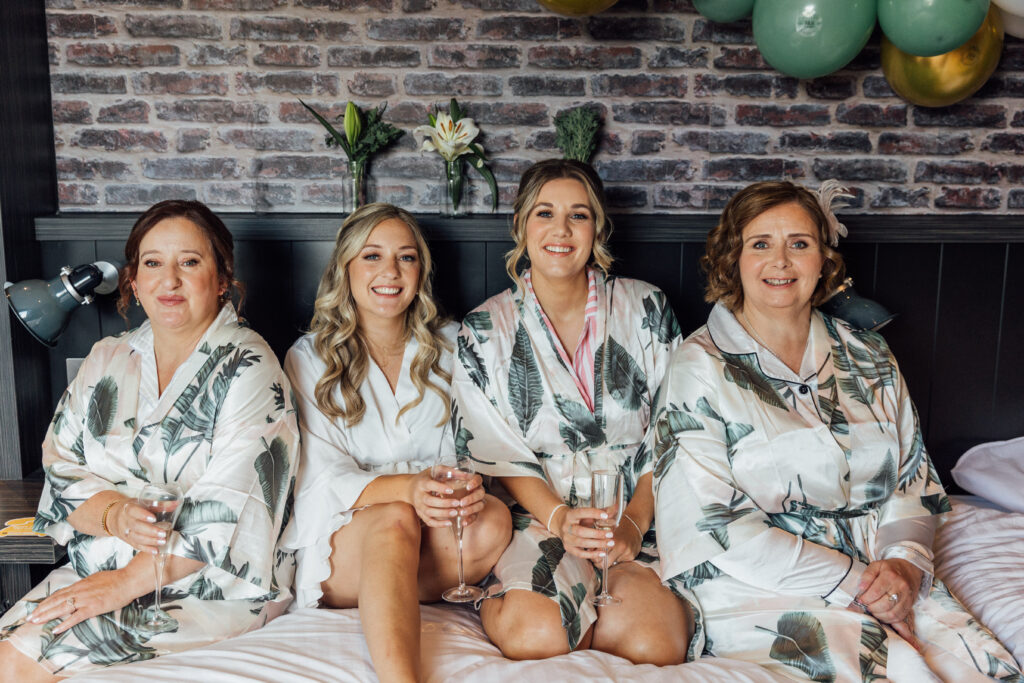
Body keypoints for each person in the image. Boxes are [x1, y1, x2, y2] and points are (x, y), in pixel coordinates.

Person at [651, 181, 1022, 681]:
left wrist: (906, 567)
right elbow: (713, 527)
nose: (780, 262)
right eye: (761, 244)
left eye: (799, 244)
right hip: (760, 580)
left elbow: (911, 481)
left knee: (978, 667)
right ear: (731, 258)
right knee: (890, 668)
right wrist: (856, 584)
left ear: (823, 260)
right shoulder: (698, 366)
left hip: (886, 569)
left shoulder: (870, 356)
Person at [0, 200, 300, 680]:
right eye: (153, 263)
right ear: (133, 281)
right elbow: (61, 466)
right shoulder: (106, 357)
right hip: (100, 567)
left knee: (23, 659)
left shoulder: (249, 367)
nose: (170, 280)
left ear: (222, 279)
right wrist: (115, 515)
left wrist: (120, 585)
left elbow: (229, 509)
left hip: (210, 583)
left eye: (190, 262)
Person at [450, 159, 698, 664]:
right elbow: (495, 450)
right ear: (521, 224)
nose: (560, 231)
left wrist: (633, 523)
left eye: (578, 216)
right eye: (544, 213)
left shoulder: (646, 308)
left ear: (598, 228)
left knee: (656, 644)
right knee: (537, 637)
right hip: (542, 516)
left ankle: (594, 600)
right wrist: (560, 520)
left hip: (635, 517)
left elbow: (675, 427)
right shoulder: (483, 329)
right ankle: (517, 597)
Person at [279, 203, 511, 683]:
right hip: (348, 544)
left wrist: (461, 487)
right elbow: (320, 477)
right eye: (372, 256)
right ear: (345, 268)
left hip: (436, 532)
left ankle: (393, 588)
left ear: (420, 271)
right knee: (394, 517)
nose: (390, 271)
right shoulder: (309, 358)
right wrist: (407, 489)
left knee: (494, 518)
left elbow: (479, 443)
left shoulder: (453, 345)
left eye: (406, 258)